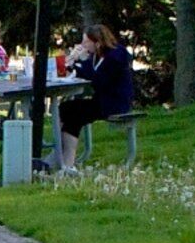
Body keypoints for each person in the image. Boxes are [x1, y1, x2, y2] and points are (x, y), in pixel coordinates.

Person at [58, 21, 141, 158]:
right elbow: (88, 74)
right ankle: (61, 154)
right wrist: (71, 64)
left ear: (97, 42)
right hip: (102, 100)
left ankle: (66, 159)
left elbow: (99, 79)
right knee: (65, 108)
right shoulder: (97, 56)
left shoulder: (116, 56)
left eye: (86, 42)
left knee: (73, 114)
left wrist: (83, 61)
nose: (83, 45)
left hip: (115, 102)